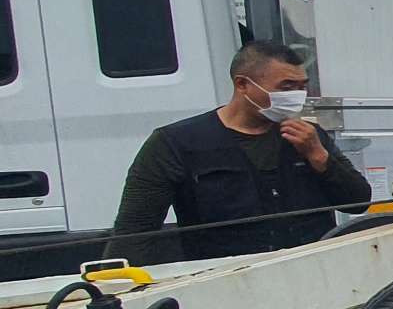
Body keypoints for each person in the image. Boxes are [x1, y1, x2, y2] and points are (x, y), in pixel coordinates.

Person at [107, 40, 373, 263]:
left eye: (302, 86)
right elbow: (135, 232)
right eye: (286, 87)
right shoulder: (175, 144)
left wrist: (318, 156)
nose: (297, 95)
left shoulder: (310, 136)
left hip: (313, 275)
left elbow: (358, 201)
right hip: (227, 283)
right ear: (243, 84)